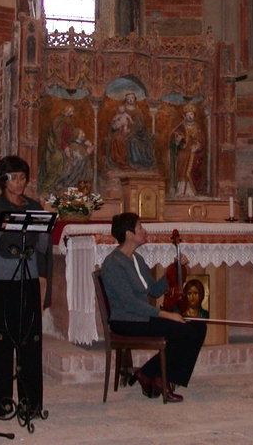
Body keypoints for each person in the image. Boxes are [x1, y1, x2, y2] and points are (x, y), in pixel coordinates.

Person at [101, 213, 206, 402]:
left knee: (199, 327)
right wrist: (165, 314)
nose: (144, 231)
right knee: (183, 330)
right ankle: (158, 378)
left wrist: (174, 270)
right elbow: (130, 303)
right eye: (140, 227)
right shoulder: (113, 264)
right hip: (125, 320)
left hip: (141, 316)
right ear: (129, 234)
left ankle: (151, 374)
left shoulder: (137, 259)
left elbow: (155, 291)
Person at [0, 155, 51, 420]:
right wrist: (3, 230)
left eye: (22, 177)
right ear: (2, 180)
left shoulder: (34, 206)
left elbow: (42, 249)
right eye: (13, 177)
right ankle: (0, 402)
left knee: (30, 342)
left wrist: (43, 231)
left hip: (28, 279)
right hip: (2, 281)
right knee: (0, 343)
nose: (19, 183)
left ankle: (30, 403)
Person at [169, 103, 205, 197]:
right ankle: (181, 191)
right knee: (182, 171)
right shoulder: (181, 127)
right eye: (188, 115)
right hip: (183, 153)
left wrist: (197, 146)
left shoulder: (197, 128)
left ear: (194, 115)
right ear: (185, 116)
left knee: (193, 171)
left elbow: (202, 140)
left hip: (194, 154)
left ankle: (191, 191)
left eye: (191, 114)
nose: (190, 117)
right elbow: (174, 139)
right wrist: (177, 140)